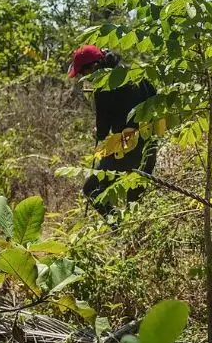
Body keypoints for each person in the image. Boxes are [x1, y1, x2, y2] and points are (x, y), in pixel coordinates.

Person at [68, 45, 158, 218]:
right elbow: (155, 99)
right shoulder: (134, 71)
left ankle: (118, 226)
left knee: (91, 189)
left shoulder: (104, 83)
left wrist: (98, 133)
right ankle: (130, 238)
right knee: (134, 202)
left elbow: (102, 129)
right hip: (149, 144)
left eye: (84, 73)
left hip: (125, 148)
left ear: (93, 67)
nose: (86, 78)